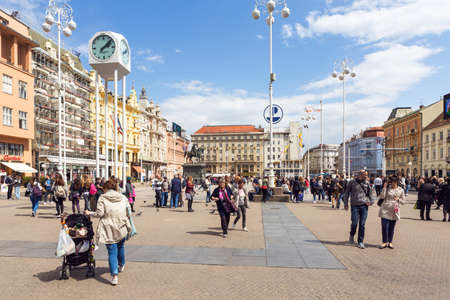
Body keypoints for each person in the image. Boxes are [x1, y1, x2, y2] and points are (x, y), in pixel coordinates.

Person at [85, 178, 133, 286]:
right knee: (120, 246)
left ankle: (114, 276)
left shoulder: (102, 198)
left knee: (112, 251)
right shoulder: (122, 197)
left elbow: (99, 213)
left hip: (108, 227)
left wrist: (89, 213)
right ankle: (122, 264)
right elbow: (128, 210)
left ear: (106, 188)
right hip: (122, 225)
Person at [343, 170, 375, 249]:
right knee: (354, 223)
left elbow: (370, 194)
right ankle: (351, 236)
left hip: (364, 205)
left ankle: (360, 241)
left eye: (367, 175)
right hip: (355, 205)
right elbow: (346, 193)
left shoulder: (367, 183)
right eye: (365, 175)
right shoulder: (352, 182)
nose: (366, 176)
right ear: (360, 174)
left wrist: (371, 202)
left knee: (362, 224)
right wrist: (346, 204)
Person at [378, 176, 405, 249]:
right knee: (384, 227)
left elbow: (403, 201)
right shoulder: (387, 189)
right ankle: (384, 242)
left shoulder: (401, 190)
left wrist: (398, 199)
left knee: (391, 227)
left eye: (392, 182)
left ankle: (390, 242)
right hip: (385, 209)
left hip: (394, 210)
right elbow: (381, 197)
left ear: (396, 182)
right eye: (390, 182)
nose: (391, 184)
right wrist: (384, 188)